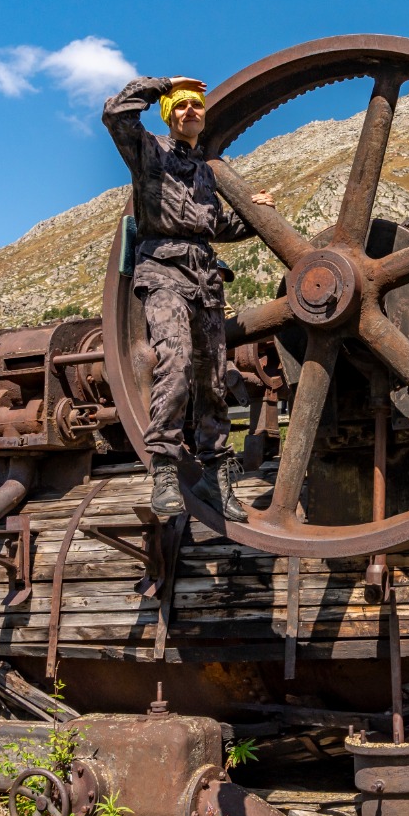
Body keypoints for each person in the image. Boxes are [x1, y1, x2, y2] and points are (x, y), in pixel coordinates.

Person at [102, 75, 274, 520]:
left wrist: (256, 212)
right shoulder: (148, 152)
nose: (189, 112)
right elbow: (116, 114)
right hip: (161, 271)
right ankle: (163, 468)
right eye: (179, 107)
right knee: (174, 363)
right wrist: (162, 85)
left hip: (206, 280)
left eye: (194, 106)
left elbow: (214, 227)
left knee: (213, 382)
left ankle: (217, 478)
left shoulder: (205, 173)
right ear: (168, 114)